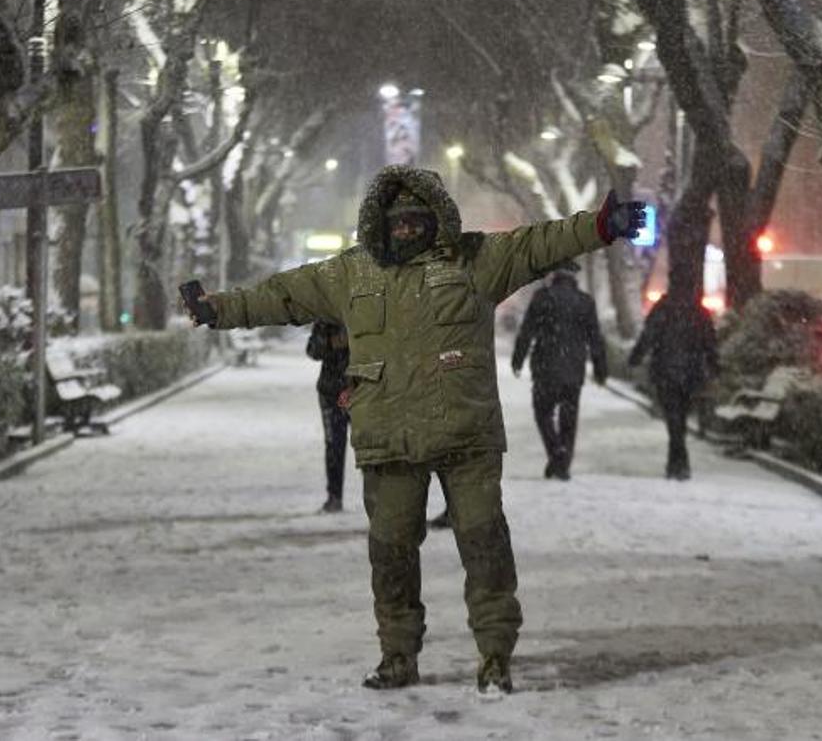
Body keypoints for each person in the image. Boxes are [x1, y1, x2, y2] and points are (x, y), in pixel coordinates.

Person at [183, 164, 648, 694]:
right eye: (397, 220)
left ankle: (495, 656)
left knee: (486, 549)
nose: (406, 228)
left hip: (465, 435)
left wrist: (601, 226)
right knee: (391, 556)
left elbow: (536, 244)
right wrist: (216, 309)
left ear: (436, 220)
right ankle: (397, 656)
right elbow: (282, 295)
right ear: (380, 222)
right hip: (389, 439)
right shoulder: (349, 274)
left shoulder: (476, 261)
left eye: (416, 219)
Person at [511, 261, 607, 480]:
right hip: (574, 368)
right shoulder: (585, 302)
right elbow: (595, 339)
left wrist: (518, 359)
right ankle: (563, 461)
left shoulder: (542, 297)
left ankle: (556, 452)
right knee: (569, 416)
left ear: (554, 274)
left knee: (542, 413)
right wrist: (601, 368)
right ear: (575, 277)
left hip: (545, 367)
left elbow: (527, 331)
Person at [627, 293, 719, 480]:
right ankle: (678, 462)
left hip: (665, 371)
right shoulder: (698, 310)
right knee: (681, 417)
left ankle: (677, 461)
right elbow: (709, 340)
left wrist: (635, 357)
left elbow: (648, 334)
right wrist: (714, 364)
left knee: (673, 417)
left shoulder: (663, 307)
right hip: (690, 372)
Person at [306, 321, 351, 512]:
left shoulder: (365, 309)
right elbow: (312, 350)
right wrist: (330, 342)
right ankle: (334, 497)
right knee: (334, 446)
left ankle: (378, 500)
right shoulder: (326, 318)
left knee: (371, 446)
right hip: (331, 391)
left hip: (363, 389)